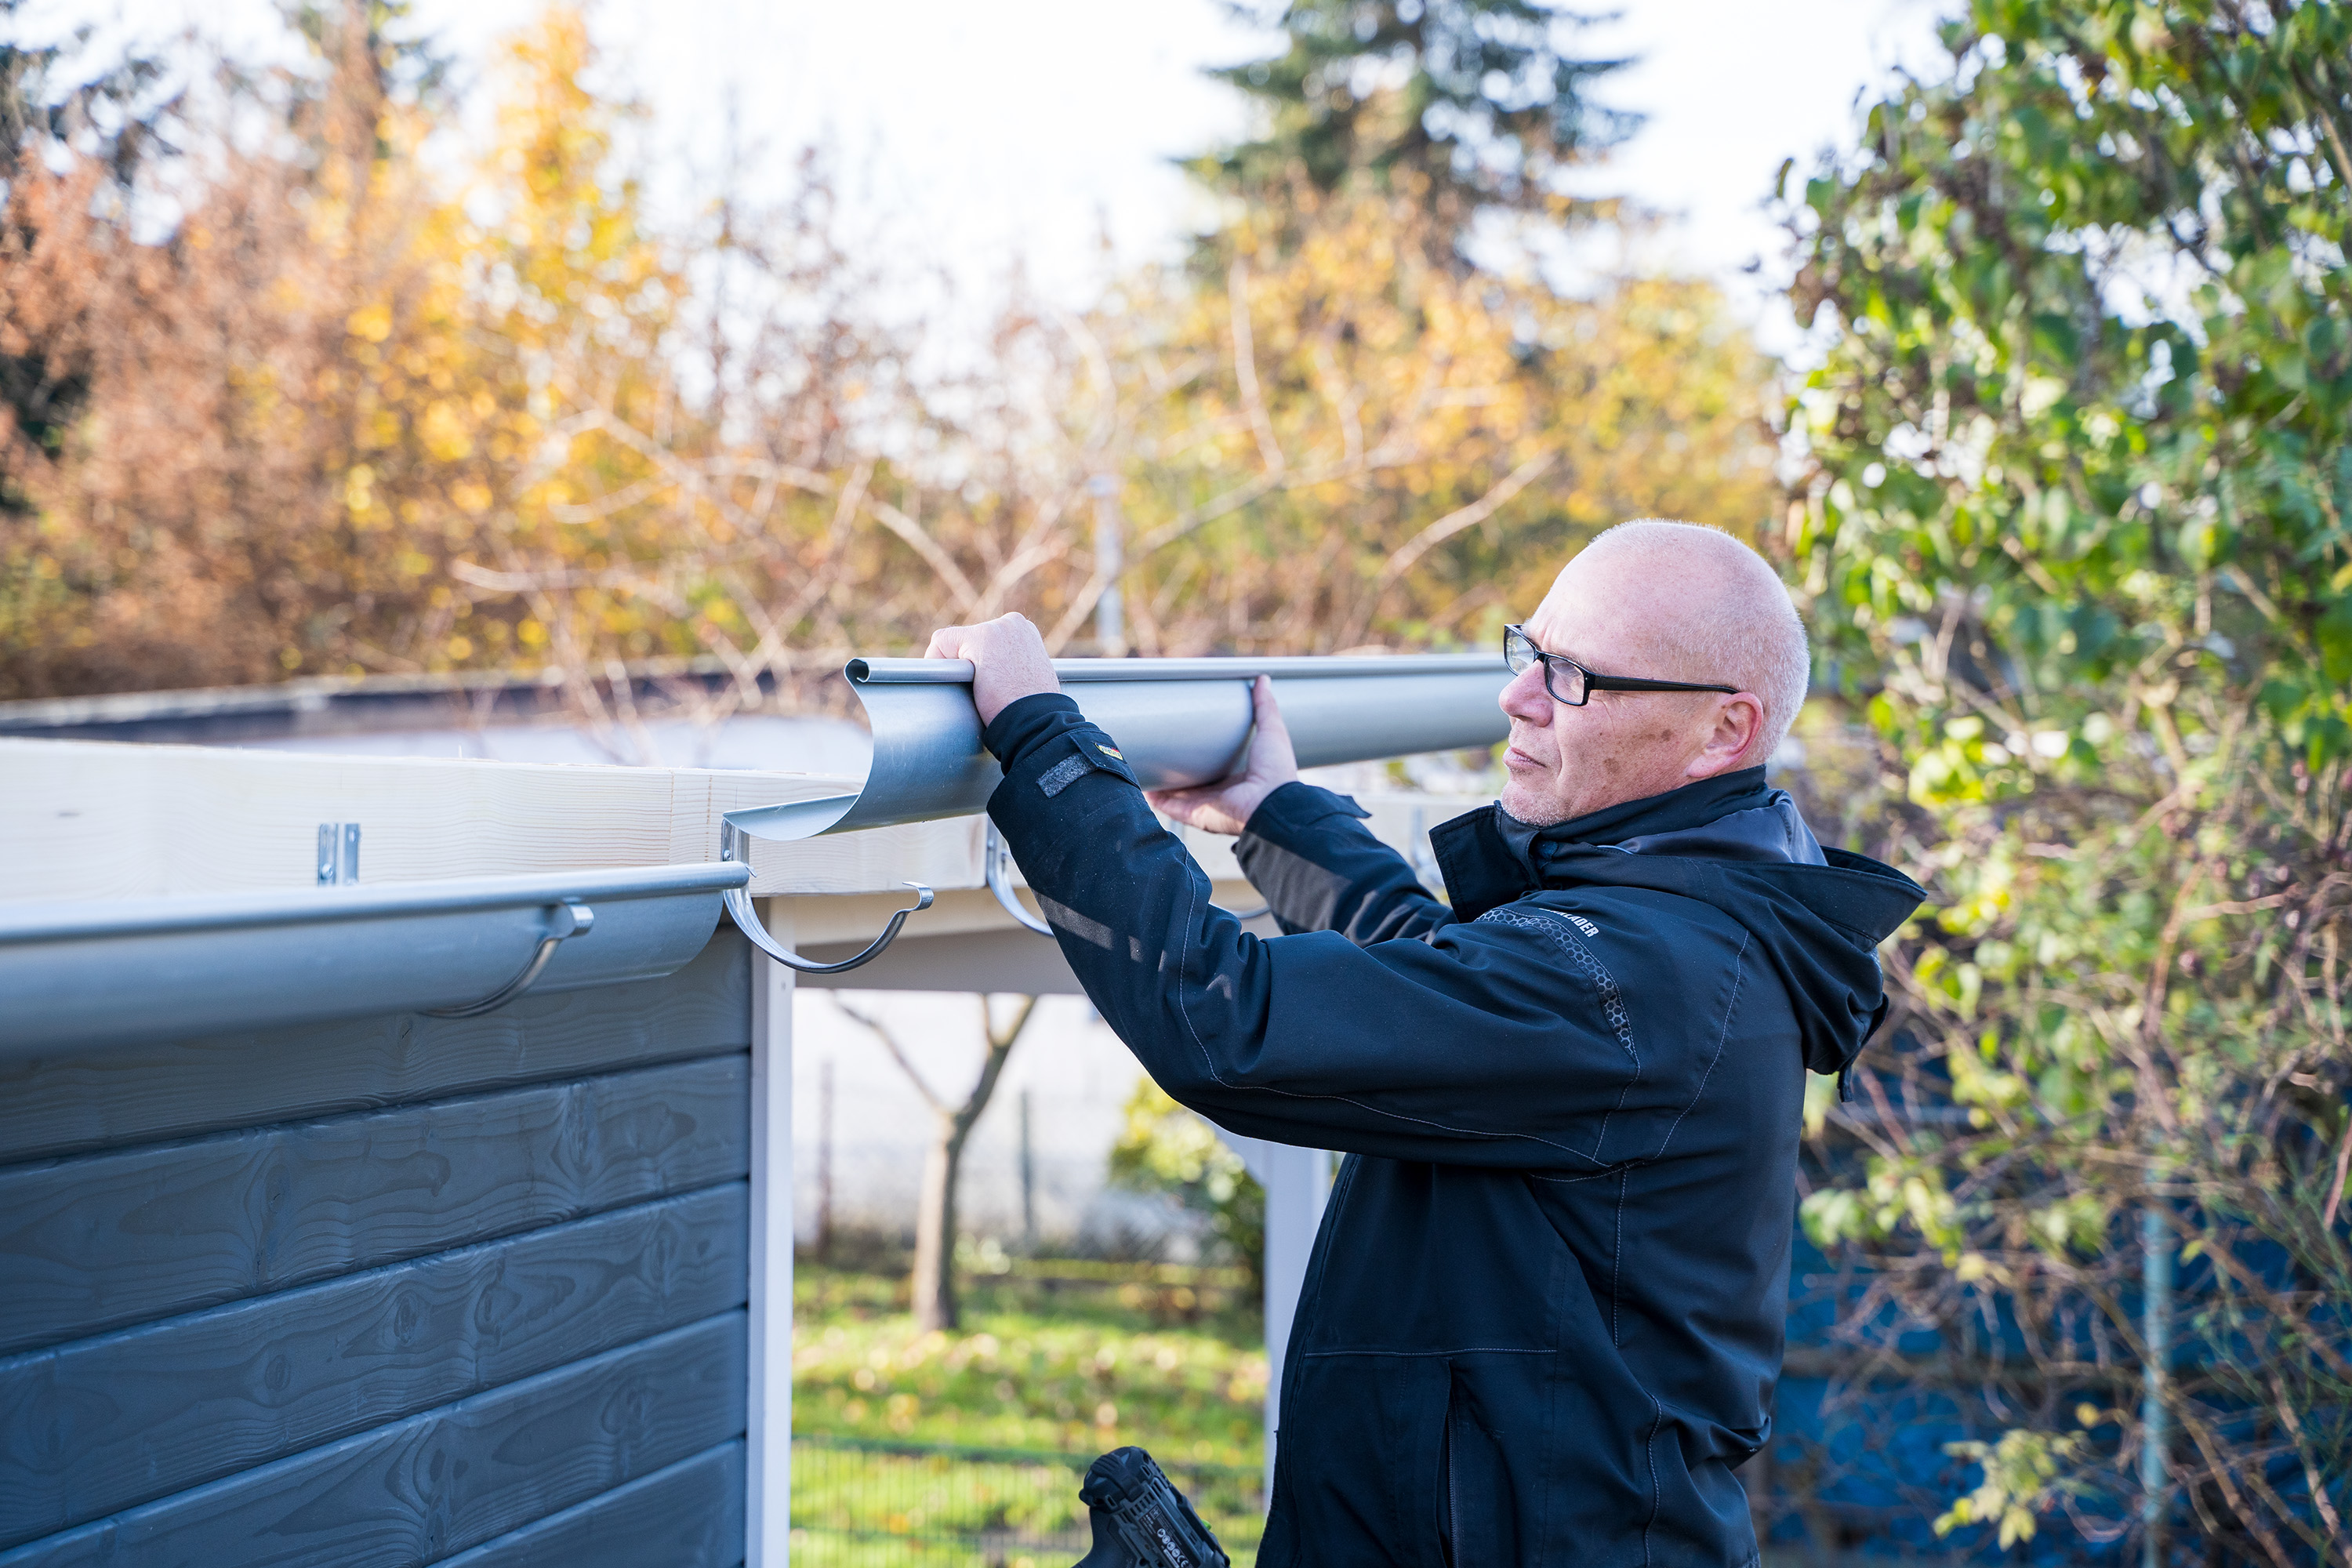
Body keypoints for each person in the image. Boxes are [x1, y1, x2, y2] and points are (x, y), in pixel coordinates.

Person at [925, 519, 1925, 1566]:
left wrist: (1046, 741)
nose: (1520, 696)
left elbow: (1226, 1019)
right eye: (1528, 651)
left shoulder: (1646, 975)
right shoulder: (1672, 933)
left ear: (1725, 731)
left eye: (1575, 677)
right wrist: (1281, 816)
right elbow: (1454, 984)